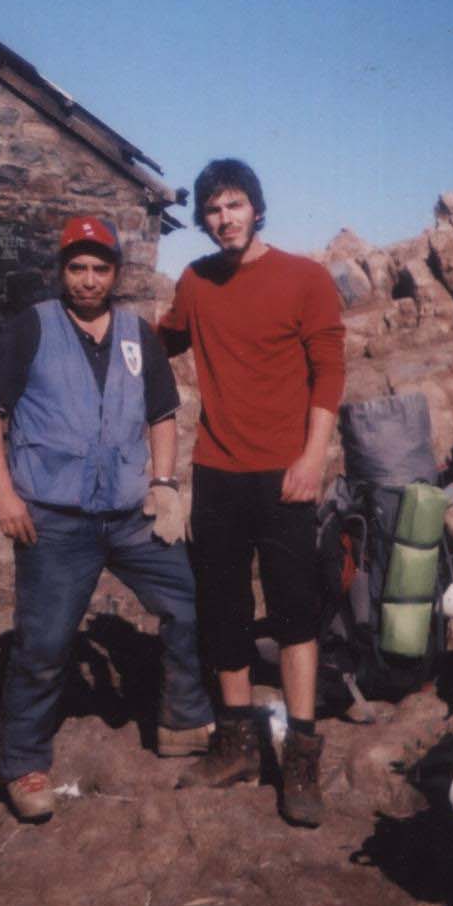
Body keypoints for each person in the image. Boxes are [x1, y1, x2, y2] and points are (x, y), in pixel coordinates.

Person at [0, 214, 215, 822]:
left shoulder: (137, 336)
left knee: (188, 602)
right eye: (76, 268)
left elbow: (162, 414)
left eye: (99, 268)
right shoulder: (30, 329)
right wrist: (4, 495)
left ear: (115, 273)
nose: (87, 280)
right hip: (55, 519)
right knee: (46, 643)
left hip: (131, 514)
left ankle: (182, 720)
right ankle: (23, 763)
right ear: (62, 271)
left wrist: (163, 484)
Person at [158, 159, 345, 827]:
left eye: (233, 205)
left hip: (285, 472)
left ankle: (299, 753)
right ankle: (234, 741)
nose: (222, 218)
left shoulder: (305, 278)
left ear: (256, 209)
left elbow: (329, 371)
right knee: (222, 609)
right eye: (211, 209)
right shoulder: (196, 282)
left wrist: (312, 456)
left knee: (295, 611)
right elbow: (160, 342)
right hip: (216, 471)